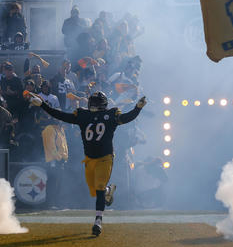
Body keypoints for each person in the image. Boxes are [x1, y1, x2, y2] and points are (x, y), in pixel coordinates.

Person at [29, 90, 147, 236]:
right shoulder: (83, 115)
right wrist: (43, 105)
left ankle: (98, 221)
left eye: (97, 102)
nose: (95, 105)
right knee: (95, 190)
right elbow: (61, 115)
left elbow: (126, 118)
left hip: (105, 157)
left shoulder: (109, 115)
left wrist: (138, 108)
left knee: (99, 189)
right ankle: (109, 191)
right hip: (90, 159)